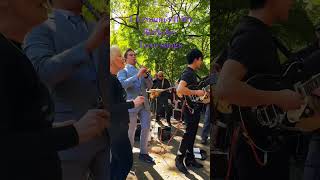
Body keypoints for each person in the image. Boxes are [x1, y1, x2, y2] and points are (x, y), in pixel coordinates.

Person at [0, 0, 109, 180]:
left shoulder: (95, 26)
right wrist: (90, 44)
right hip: (66, 146)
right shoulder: (38, 25)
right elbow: (41, 75)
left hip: (103, 134)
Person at [215, 0, 304, 179]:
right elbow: (224, 88)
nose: (292, 2)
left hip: (259, 142)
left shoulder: (255, 32)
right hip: (256, 151)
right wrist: (279, 98)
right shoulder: (253, 35)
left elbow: (219, 69)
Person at [109, 46, 145, 179]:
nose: (123, 59)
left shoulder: (112, 78)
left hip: (118, 127)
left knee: (116, 162)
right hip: (116, 128)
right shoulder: (110, 79)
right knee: (126, 161)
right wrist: (132, 103)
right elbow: (109, 107)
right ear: (112, 59)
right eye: (120, 56)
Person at [117, 48, 155, 164]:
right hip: (131, 104)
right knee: (131, 130)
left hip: (145, 105)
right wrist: (137, 75)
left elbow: (150, 85)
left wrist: (147, 76)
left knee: (146, 127)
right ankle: (128, 154)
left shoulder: (141, 71)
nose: (134, 57)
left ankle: (144, 153)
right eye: (131, 55)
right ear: (126, 58)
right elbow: (122, 85)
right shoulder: (122, 70)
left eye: (135, 55)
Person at [175, 48, 207, 174]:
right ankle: (179, 159)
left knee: (192, 135)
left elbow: (180, 92)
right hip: (190, 111)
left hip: (194, 109)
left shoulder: (192, 73)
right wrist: (195, 92)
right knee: (188, 135)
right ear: (196, 59)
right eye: (201, 60)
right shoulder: (188, 73)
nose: (202, 62)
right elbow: (179, 89)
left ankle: (190, 158)